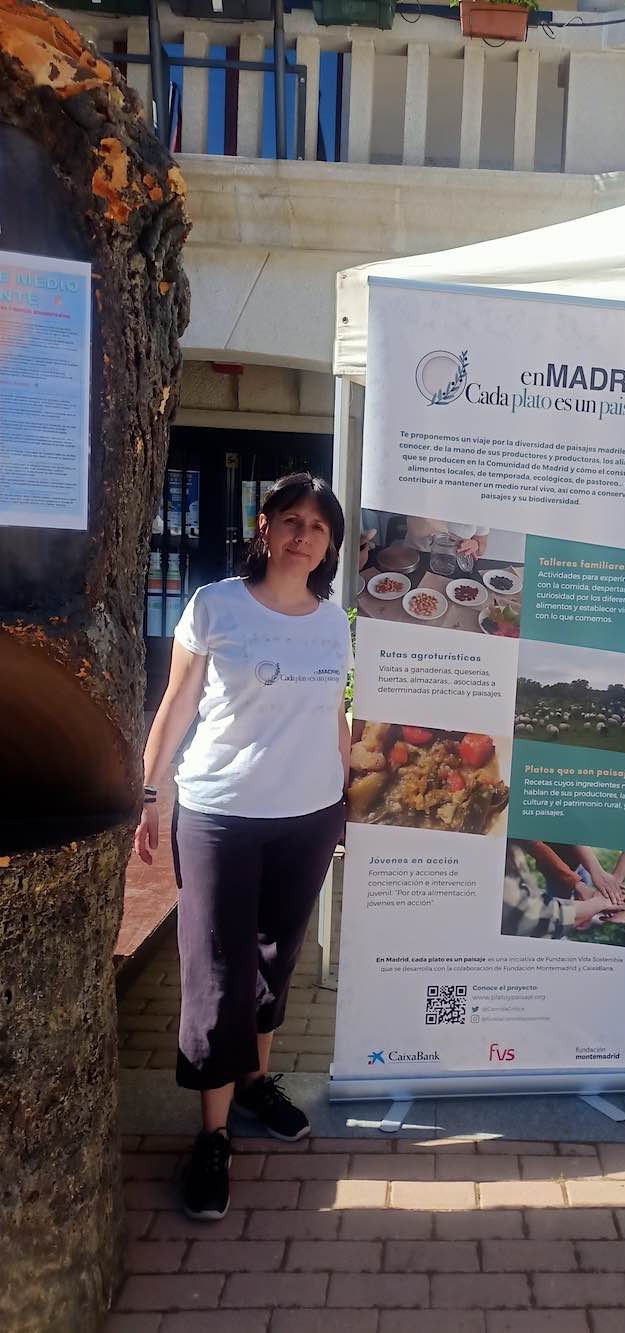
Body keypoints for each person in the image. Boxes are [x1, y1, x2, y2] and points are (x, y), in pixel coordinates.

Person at [134, 473, 352, 1220]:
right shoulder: (216, 605)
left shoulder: (332, 620)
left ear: (330, 545)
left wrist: (346, 797)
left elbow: (333, 717)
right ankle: (214, 1134)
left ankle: (257, 1082)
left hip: (311, 814)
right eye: (290, 520)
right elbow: (177, 704)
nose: (302, 535)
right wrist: (150, 791)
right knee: (217, 973)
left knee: (274, 958)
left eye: (317, 527)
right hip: (222, 814)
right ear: (265, 526)